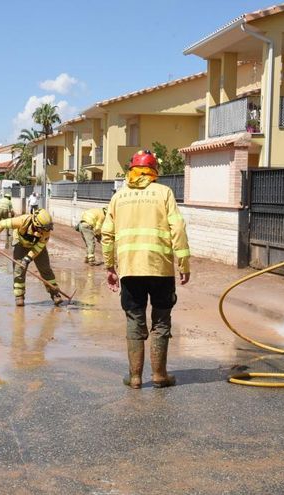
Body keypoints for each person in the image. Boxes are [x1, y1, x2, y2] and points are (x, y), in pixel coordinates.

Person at [101, 150, 190, 389]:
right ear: (154, 172)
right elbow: (178, 229)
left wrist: (110, 266)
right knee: (161, 319)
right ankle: (160, 375)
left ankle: (136, 377)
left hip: (130, 269)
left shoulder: (119, 197)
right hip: (160, 268)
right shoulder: (164, 193)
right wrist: (184, 263)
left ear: (131, 170)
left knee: (134, 318)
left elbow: (106, 234)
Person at [0, 208, 63, 307]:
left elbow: (39, 247)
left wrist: (28, 259)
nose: (46, 231)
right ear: (37, 224)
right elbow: (2, 224)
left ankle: (55, 294)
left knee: (45, 269)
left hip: (37, 247)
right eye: (44, 228)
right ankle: (19, 297)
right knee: (19, 270)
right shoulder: (22, 220)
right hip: (21, 244)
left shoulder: (46, 231)